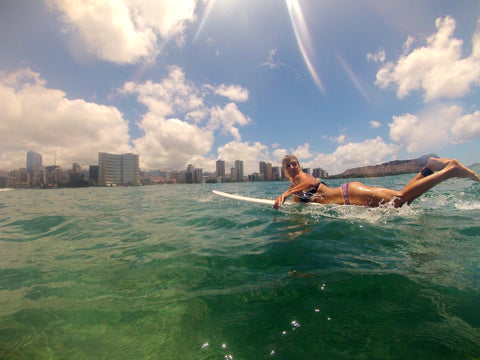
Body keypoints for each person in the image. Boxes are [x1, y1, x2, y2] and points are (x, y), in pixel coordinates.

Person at [273, 154, 480, 209]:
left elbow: (308, 185)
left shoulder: (301, 178)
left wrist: (284, 195)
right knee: (400, 199)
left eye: (294, 163)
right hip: (350, 195)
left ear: (298, 166)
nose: (293, 167)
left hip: (349, 194)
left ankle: (450, 170)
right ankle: (429, 168)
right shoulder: (294, 186)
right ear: (284, 169)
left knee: (399, 200)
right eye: (288, 165)